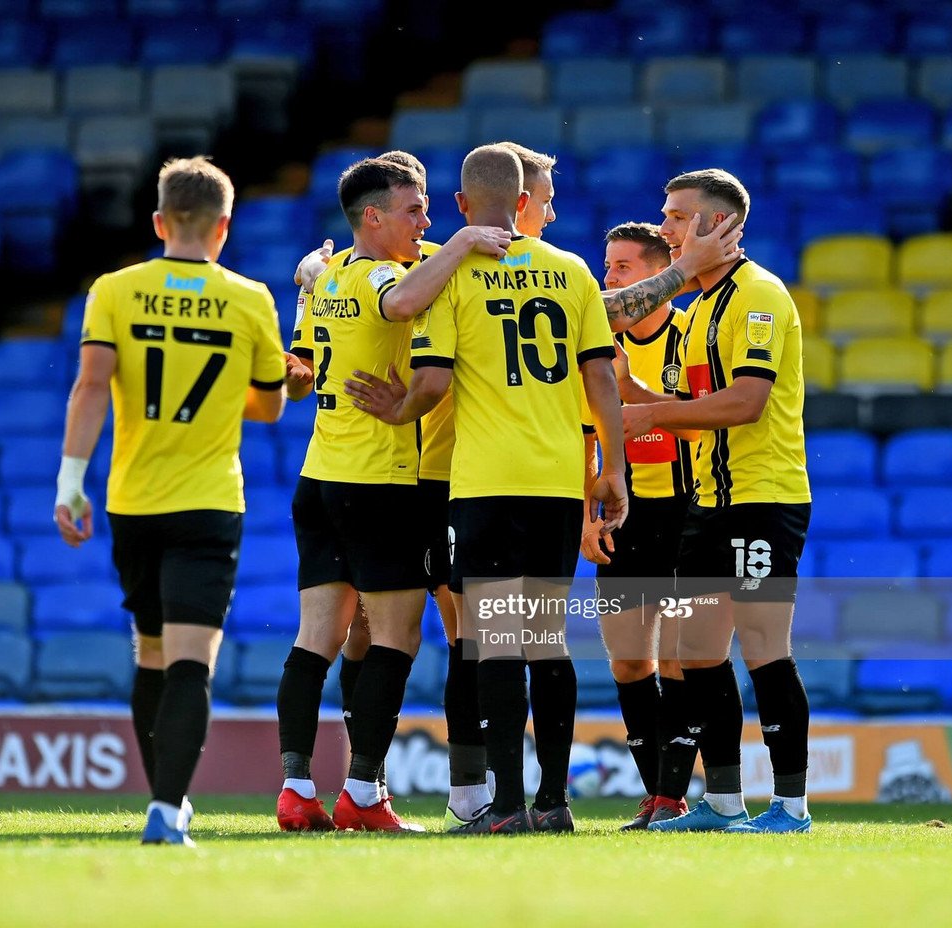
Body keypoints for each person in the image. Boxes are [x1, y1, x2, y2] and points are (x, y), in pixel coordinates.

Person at [345, 144, 628, 834]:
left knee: (497, 641)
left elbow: (434, 381)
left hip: (485, 484)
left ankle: (504, 806)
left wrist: (397, 408)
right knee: (548, 640)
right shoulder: (572, 273)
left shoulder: (455, 276)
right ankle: (555, 802)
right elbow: (601, 379)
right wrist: (613, 468)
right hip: (558, 482)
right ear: (525, 202)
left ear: (465, 206)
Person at [54, 156, 287, 846]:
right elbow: (270, 407)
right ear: (223, 226)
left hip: (133, 501)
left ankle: (162, 801)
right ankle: (166, 808)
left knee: (151, 654)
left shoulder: (116, 291)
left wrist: (71, 482)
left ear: (159, 222)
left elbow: (92, 385)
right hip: (209, 502)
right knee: (192, 661)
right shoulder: (249, 299)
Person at [277, 156, 510, 832]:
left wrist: (308, 280)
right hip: (380, 482)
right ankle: (362, 795)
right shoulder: (386, 274)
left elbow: (300, 371)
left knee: (317, 636)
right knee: (397, 637)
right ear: (373, 217)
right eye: (415, 209)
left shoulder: (328, 278)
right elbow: (403, 301)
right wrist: (468, 240)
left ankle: (296, 789)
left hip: (319, 478)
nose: (429, 221)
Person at [611, 170, 813, 834]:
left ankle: (792, 806)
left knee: (762, 649)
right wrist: (633, 394)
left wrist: (652, 410)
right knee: (697, 653)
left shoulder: (758, 297)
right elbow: (697, 420)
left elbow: (747, 405)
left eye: (677, 217)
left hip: (762, 499)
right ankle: (724, 803)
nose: (666, 227)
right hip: (709, 503)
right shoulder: (696, 316)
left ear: (720, 226)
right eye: (666, 216)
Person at [580, 222, 699, 830]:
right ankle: (659, 795)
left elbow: (708, 425)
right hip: (624, 518)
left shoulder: (693, 336)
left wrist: (631, 389)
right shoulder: (594, 341)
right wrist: (585, 516)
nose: (610, 278)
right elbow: (581, 433)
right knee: (629, 662)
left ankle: (676, 797)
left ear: (660, 277)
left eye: (623, 268)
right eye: (608, 266)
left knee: (679, 659)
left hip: (684, 514)